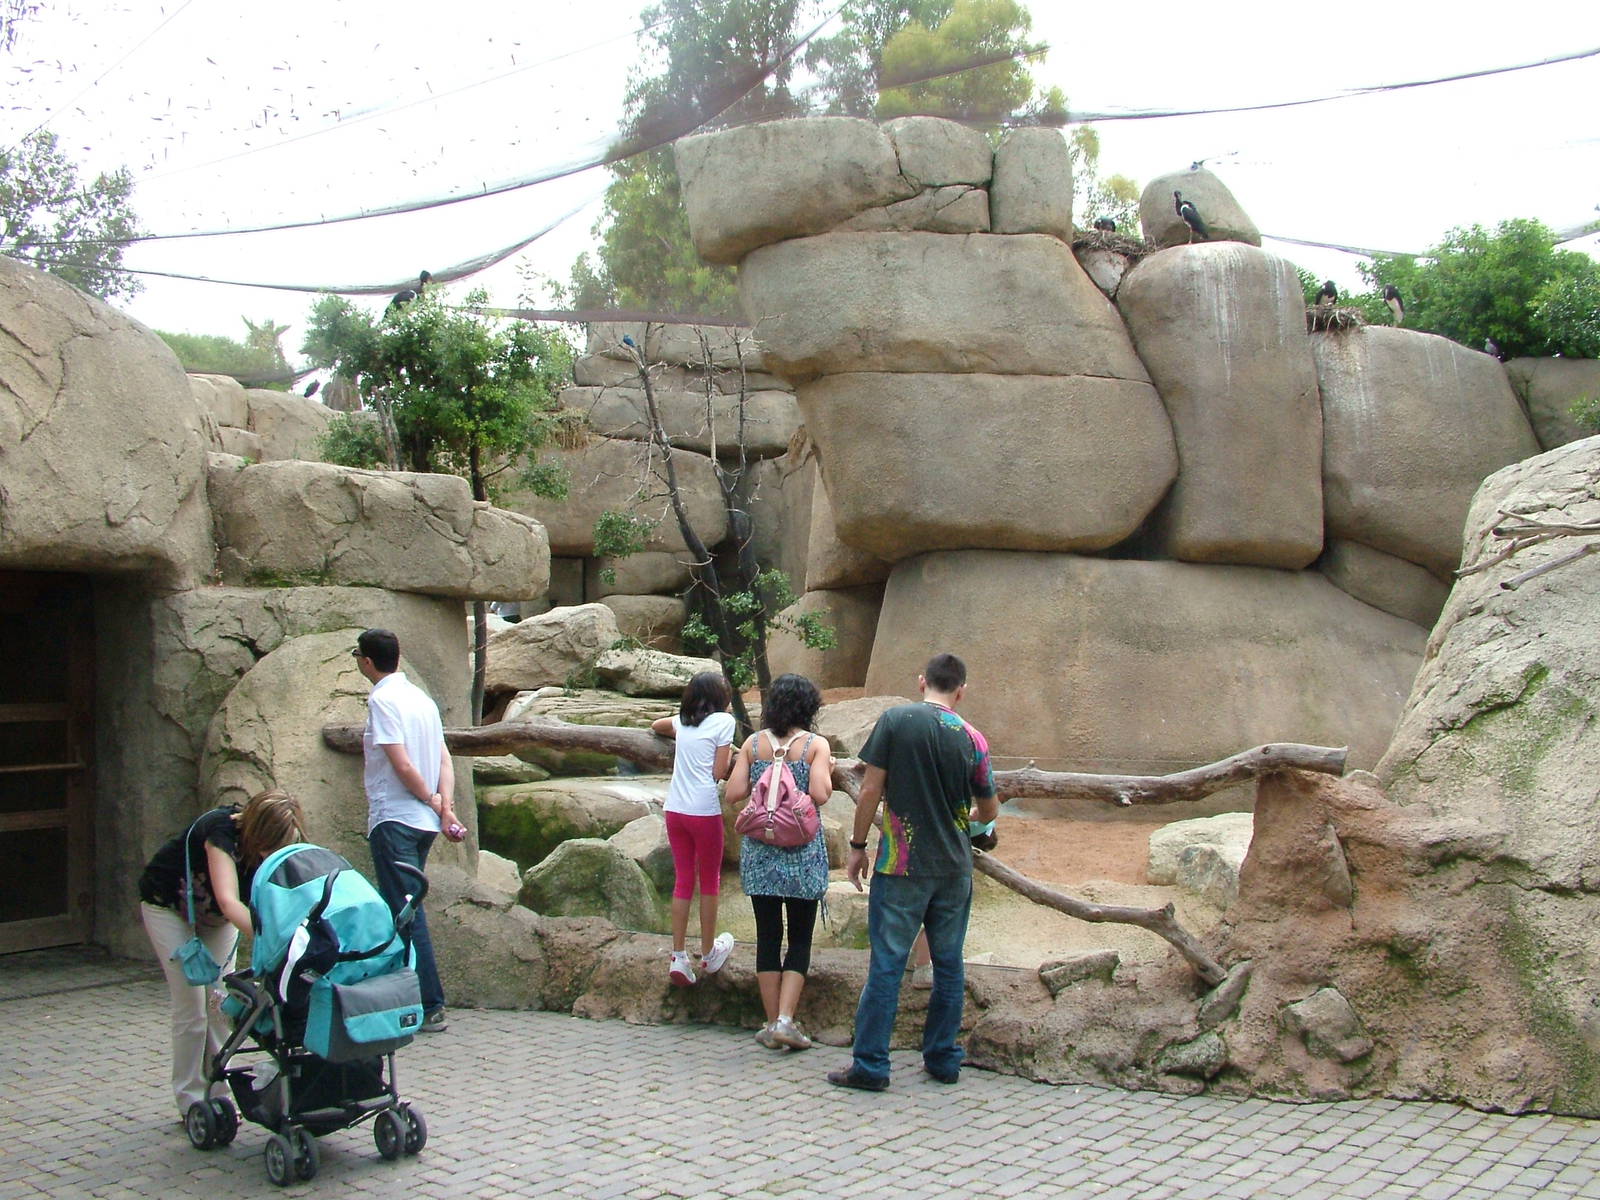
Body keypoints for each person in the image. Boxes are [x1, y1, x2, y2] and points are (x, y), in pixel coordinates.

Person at [828, 652, 998, 1091]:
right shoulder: (973, 738)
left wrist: (857, 845)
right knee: (949, 963)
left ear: (922, 682)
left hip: (900, 863)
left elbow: (869, 788)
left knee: (886, 964)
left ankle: (870, 1065)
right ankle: (942, 1058)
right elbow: (989, 808)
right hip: (954, 867)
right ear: (961, 690)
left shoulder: (895, 720)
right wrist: (968, 823)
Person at [139, 789, 308, 1118]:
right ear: (257, 831)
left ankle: (218, 1091)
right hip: (170, 907)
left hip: (215, 918)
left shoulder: (285, 840)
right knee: (192, 1007)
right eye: (270, 844)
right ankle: (191, 1100)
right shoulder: (221, 831)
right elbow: (231, 902)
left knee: (218, 1004)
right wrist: (274, 944)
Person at [353, 627, 462, 1033]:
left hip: (396, 817)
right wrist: (444, 807)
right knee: (405, 908)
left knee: (405, 913)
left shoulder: (382, 700)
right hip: (424, 824)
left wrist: (432, 801)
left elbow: (401, 764)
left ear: (367, 661)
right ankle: (405, 997)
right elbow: (443, 760)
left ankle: (429, 1004)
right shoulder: (422, 698)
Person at [724, 673, 834, 1051]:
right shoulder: (815, 745)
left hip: (760, 852)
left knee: (768, 935)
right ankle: (787, 1019)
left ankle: (771, 1023)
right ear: (809, 707)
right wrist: (827, 772)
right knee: (800, 936)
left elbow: (733, 793)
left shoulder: (753, 744)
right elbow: (821, 793)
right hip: (803, 853)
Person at [651, 671, 738, 986]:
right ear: (720, 699)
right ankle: (708, 952)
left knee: (683, 879)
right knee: (710, 879)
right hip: (703, 810)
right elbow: (719, 770)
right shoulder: (724, 723)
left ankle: (678, 955)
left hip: (674, 809)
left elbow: (654, 726)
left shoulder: (681, 721)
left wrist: (679, 725)